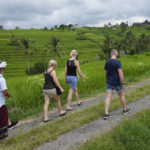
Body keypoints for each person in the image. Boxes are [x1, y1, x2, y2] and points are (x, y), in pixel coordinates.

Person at [104, 49, 130, 120]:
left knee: (108, 97)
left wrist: (108, 78)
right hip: (117, 82)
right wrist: (123, 83)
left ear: (110, 54)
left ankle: (106, 113)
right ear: (116, 54)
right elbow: (120, 73)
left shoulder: (107, 62)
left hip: (109, 82)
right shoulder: (118, 62)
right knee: (121, 96)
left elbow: (105, 73)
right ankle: (124, 110)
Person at [0, 61, 18, 142]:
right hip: (0, 103)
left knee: (3, 117)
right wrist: (9, 95)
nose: (5, 69)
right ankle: (2, 135)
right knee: (3, 118)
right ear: (1, 69)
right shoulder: (1, 79)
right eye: (4, 68)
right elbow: (4, 92)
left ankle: (4, 133)